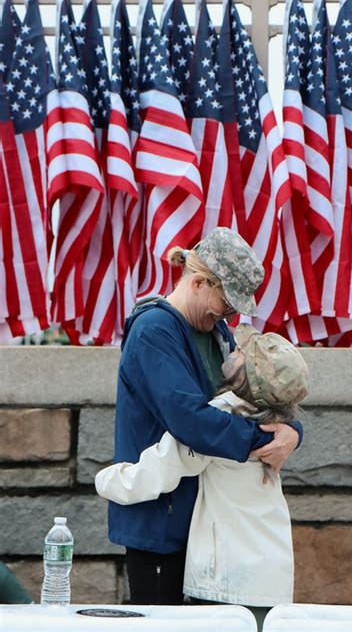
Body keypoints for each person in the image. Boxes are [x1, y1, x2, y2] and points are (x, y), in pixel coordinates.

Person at [109, 227, 303, 605]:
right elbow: (190, 420)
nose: (226, 314)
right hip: (161, 524)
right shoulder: (154, 330)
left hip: (204, 528)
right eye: (226, 303)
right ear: (198, 282)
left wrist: (292, 431)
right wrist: (268, 439)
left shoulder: (217, 331)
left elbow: (252, 400)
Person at [96, 325, 309, 631]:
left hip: (226, 577)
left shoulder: (222, 416)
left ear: (246, 376)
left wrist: (107, 480)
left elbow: (164, 467)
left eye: (240, 353)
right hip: (269, 573)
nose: (232, 348)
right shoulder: (276, 423)